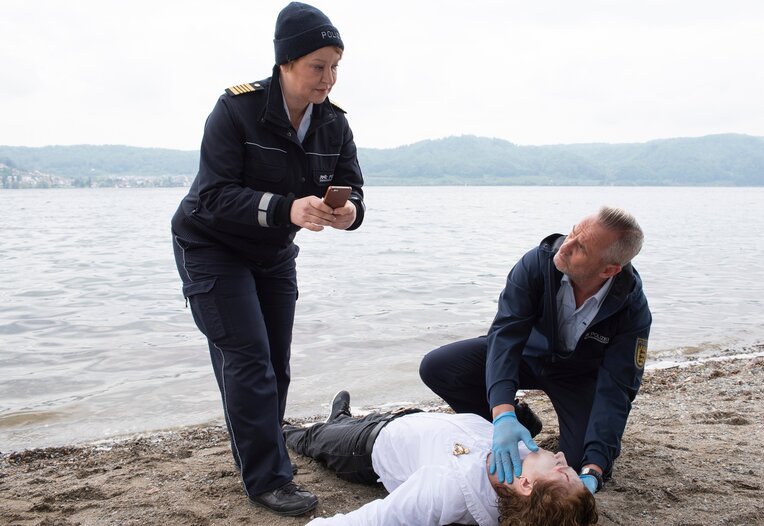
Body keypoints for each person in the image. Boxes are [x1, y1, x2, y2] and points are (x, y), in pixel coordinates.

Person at [170, 2, 364, 516]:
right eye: (317, 66)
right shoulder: (236, 109)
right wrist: (287, 208)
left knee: (275, 363)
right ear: (286, 62)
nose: (328, 78)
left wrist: (348, 214)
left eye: (335, 66)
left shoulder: (334, 123)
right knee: (248, 358)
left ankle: (267, 456)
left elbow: (355, 189)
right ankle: (268, 480)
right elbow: (213, 195)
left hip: (273, 252)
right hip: (210, 245)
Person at [419, 207, 651, 495]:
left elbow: (618, 387)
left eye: (580, 247)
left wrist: (595, 468)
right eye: (572, 232)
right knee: (438, 367)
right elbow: (505, 337)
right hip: (526, 357)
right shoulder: (537, 263)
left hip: (577, 377)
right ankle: (519, 421)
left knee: (578, 465)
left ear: (608, 270)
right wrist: (502, 412)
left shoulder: (632, 308)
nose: (566, 245)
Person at [284, 391, 598, 526]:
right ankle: (339, 418)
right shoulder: (521, 457)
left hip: (367, 446)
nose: (561, 456)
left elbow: (375, 519)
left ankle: (289, 430)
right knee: (339, 424)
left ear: (526, 485)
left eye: (562, 470)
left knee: (307, 438)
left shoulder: (449, 488)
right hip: (412, 416)